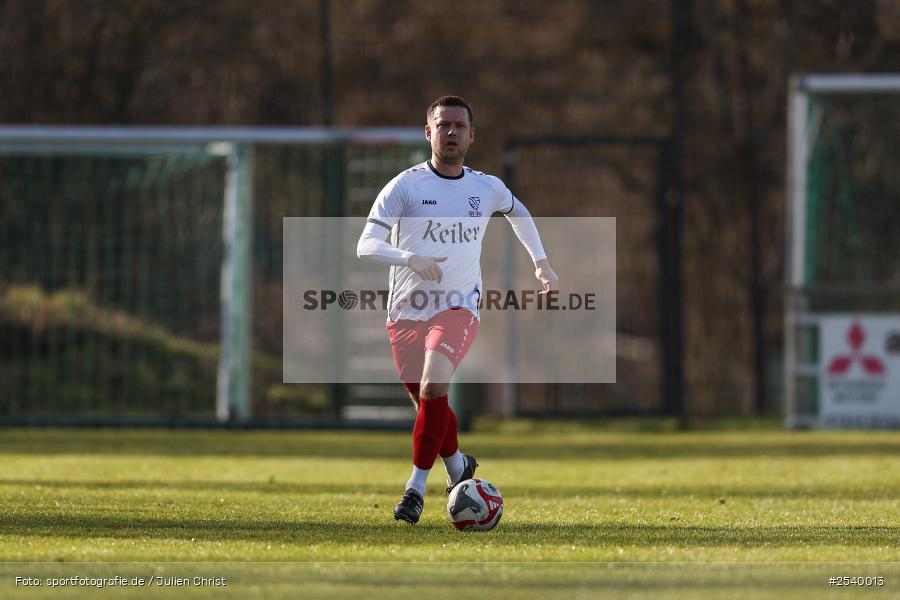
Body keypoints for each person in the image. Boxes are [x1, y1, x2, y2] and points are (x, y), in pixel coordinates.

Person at [357, 96, 558, 524]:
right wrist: (409, 259)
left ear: (471, 135)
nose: (450, 132)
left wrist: (541, 262)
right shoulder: (405, 186)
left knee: (432, 388)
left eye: (458, 126)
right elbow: (366, 244)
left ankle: (414, 491)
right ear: (428, 133)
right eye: (442, 125)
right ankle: (458, 468)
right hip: (405, 313)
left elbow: (518, 212)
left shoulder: (486, 187)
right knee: (428, 403)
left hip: (459, 307)